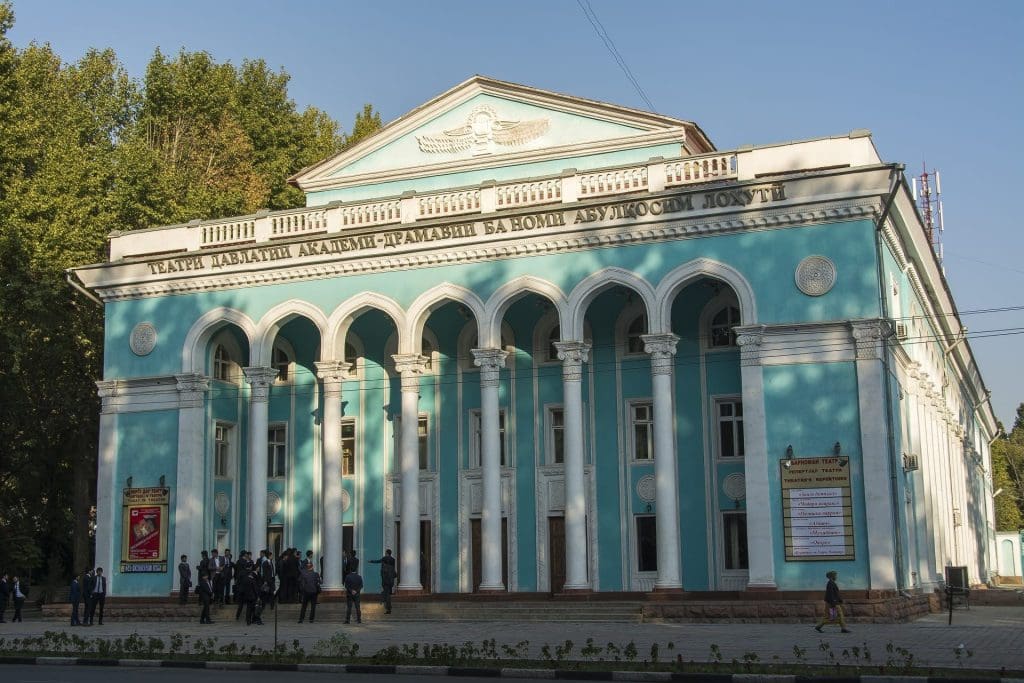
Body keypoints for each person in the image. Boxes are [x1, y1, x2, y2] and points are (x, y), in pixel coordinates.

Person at [370, 548, 397, 614]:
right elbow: (393, 570)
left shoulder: (384, 559)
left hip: (386, 580)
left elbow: (378, 561)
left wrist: (371, 561)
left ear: (387, 553)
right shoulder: (393, 560)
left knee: (386, 594)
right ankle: (386, 604)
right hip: (391, 580)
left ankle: (388, 607)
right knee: (388, 593)